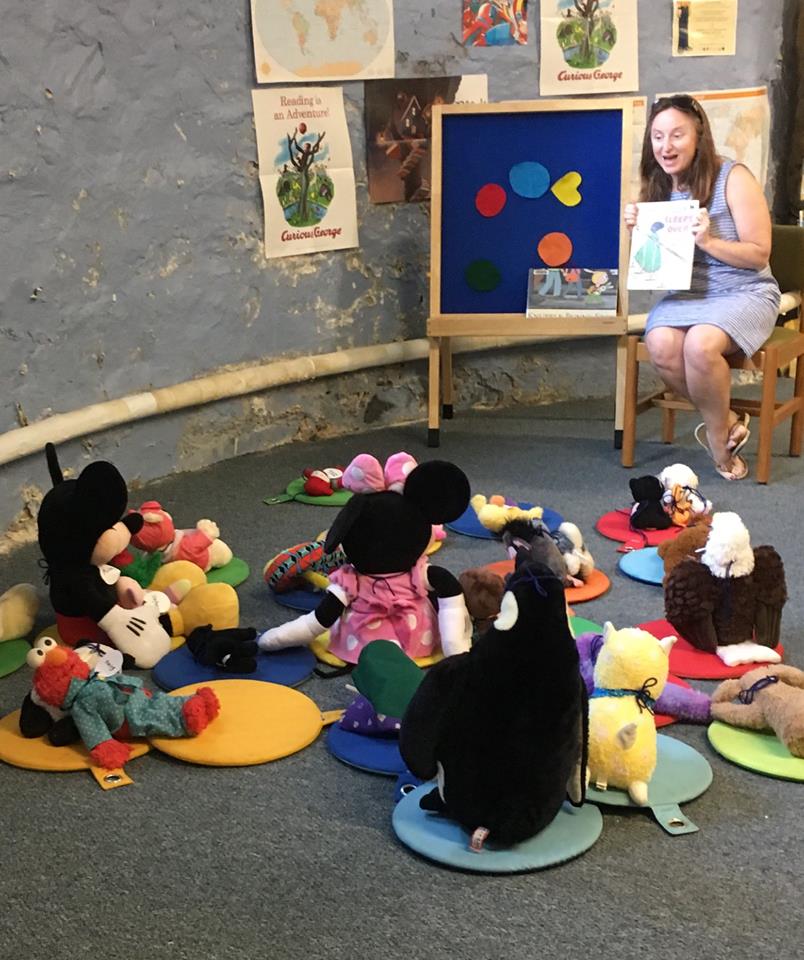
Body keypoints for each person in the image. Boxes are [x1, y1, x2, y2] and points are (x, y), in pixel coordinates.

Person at [624, 94, 780, 481]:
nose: (666, 146)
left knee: (699, 344)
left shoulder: (733, 177)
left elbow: (759, 254)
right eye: (658, 136)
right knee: (660, 343)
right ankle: (728, 420)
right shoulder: (658, 185)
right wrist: (636, 232)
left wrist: (709, 242)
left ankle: (716, 439)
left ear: (699, 136)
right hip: (689, 293)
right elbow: (654, 262)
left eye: (677, 135)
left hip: (745, 290)